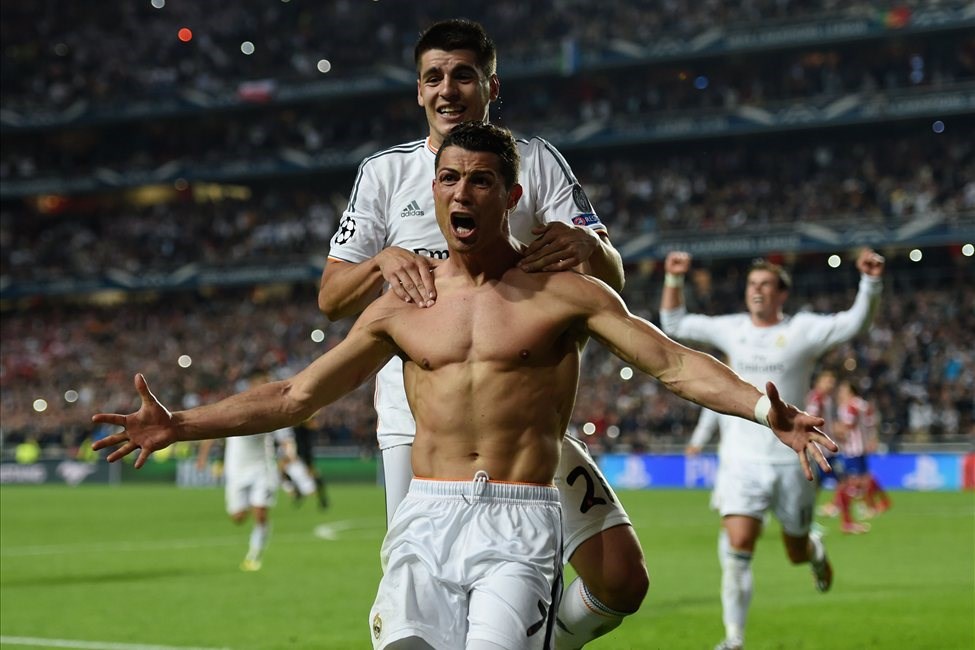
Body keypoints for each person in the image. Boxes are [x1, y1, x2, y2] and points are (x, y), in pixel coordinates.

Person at [93, 122, 835, 650]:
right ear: (434, 189)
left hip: (518, 520)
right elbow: (297, 396)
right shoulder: (402, 305)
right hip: (425, 517)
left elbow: (670, 363)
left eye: (480, 180)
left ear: (510, 195)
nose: (462, 192)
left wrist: (762, 408)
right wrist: (180, 424)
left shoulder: (566, 294)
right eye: (449, 178)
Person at [317, 19, 641, 647]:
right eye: (434, 77)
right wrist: (381, 262)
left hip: (522, 417)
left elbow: (612, 274)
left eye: (463, 75)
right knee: (433, 620)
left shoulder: (536, 162)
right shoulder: (384, 173)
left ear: (491, 86)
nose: (448, 90)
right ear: (418, 90)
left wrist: (591, 248)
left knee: (621, 578)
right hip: (419, 425)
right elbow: (331, 297)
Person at [659, 248, 884, 650]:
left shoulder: (803, 330)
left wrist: (870, 282)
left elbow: (855, 322)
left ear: (782, 294)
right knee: (738, 545)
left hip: (791, 459)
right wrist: (674, 278)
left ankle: (814, 551)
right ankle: (734, 638)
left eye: (765, 285)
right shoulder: (731, 329)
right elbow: (674, 322)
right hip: (740, 460)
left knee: (795, 551)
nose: (757, 291)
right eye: (752, 284)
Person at [196, 431, 278, 572]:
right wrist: (202, 457)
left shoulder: (266, 418)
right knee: (238, 517)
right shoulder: (232, 419)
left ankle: (254, 555)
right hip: (237, 470)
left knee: (260, 513)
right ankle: (250, 503)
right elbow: (212, 432)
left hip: (262, 468)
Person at [832, 379, 891, 532]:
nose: (840, 393)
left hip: (852, 449)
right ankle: (877, 504)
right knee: (864, 479)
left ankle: (846, 517)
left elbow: (847, 426)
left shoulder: (850, 406)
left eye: (843, 391)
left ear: (850, 392)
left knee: (849, 484)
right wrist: (873, 438)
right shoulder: (862, 404)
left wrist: (833, 429)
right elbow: (872, 422)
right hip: (861, 447)